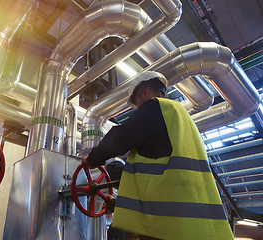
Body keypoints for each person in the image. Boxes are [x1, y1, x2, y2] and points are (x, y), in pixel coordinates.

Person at [82, 71, 234, 240]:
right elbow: (164, 191)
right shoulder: (180, 118)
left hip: (169, 230)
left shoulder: (157, 107)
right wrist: (115, 204)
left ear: (144, 94)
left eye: (137, 105)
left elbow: (120, 138)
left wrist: (92, 159)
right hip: (193, 226)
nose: (138, 111)